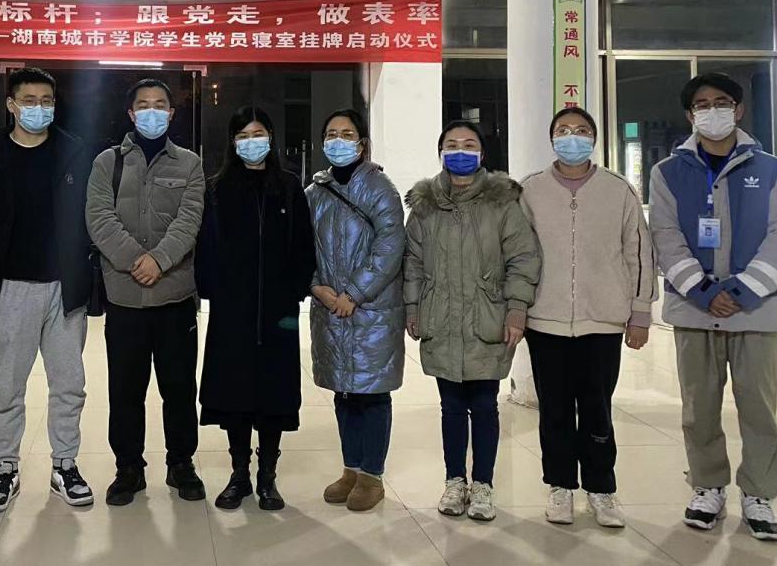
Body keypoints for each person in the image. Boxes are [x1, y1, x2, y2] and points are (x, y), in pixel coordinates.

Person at [649, 72, 777, 542]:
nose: (711, 110)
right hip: (695, 311)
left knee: (758, 406)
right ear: (689, 115)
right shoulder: (667, 173)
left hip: (755, 312)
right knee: (699, 407)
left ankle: (759, 492)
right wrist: (702, 290)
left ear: (738, 110)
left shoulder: (773, 170)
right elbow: (665, 236)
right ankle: (707, 486)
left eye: (721, 102)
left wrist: (740, 292)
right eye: (701, 104)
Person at [0, 67, 96, 513]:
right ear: (11, 105)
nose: (39, 108)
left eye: (46, 100)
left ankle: (65, 465)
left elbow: (93, 217)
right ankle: (5, 468)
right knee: (7, 388)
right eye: (29, 100)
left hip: (64, 288)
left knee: (69, 384)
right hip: (10, 287)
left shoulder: (74, 153)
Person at [520, 107, 657, 529]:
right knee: (554, 409)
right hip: (545, 320)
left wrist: (640, 312)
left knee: (597, 408)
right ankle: (560, 485)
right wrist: (517, 308)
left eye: (581, 130)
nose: (572, 137)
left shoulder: (618, 190)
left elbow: (639, 253)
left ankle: (601, 487)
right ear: (552, 139)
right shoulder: (530, 190)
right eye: (563, 130)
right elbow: (518, 255)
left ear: (594, 139)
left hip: (603, 321)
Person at [404, 121, 540, 523]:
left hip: (487, 318)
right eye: (451, 144)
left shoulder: (503, 203)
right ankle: (454, 480)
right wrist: (412, 307)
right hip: (441, 319)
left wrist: (516, 309)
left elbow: (523, 258)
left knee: (483, 405)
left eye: (468, 144)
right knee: (450, 407)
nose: (459, 151)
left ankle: (483, 484)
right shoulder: (426, 205)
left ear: (482, 153)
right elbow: (412, 261)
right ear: (440, 153)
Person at [85, 78, 206, 506]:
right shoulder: (107, 163)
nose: (152, 111)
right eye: (144, 105)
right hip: (125, 299)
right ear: (131, 114)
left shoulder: (190, 164)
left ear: (171, 114)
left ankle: (181, 463)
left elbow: (190, 221)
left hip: (175, 298)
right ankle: (128, 469)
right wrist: (138, 260)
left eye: (160, 105)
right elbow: (99, 218)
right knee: (125, 390)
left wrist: (160, 260)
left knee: (179, 388)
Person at [196, 107, 316, 511]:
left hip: (278, 311)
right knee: (235, 393)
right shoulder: (217, 188)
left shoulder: (289, 186)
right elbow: (206, 245)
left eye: (259, 133)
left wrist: (295, 290)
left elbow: (303, 244)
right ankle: (239, 474)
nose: (252, 141)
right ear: (233, 142)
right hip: (233, 310)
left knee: (273, 393)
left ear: (271, 137)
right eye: (244, 135)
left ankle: (268, 477)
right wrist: (212, 290)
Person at [307, 109, 405, 513]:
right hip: (330, 309)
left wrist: (354, 293)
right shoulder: (314, 193)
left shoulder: (381, 189)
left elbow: (390, 247)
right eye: (331, 134)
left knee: (373, 393)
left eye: (347, 134)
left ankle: (372, 476)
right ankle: (350, 469)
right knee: (344, 392)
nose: (338, 140)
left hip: (372, 311)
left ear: (362, 144)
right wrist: (317, 287)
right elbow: (302, 247)